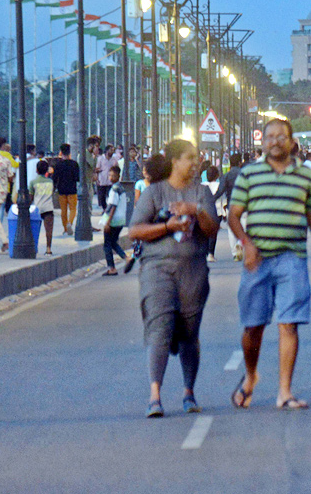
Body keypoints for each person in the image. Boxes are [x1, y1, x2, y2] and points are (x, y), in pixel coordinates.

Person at [228, 119, 311, 411]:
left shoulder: (306, 176)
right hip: (257, 259)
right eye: (270, 137)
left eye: (280, 137)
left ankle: (284, 391)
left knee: (289, 324)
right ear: (263, 142)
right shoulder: (249, 174)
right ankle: (251, 376)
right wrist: (247, 244)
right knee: (253, 328)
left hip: (292, 258)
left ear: (291, 141)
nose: (275, 142)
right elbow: (234, 215)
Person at [128, 139, 219, 418]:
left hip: (193, 268)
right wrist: (166, 225)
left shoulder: (201, 192)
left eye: (197, 158)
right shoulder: (154, 192)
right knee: (160, 326)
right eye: (190, 158)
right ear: (174, 161)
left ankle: (188, 392)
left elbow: (212, 228)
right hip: (157, 268)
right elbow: (135, 230)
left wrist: (195, 211)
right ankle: (155, 395)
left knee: (189, 333)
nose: (195, 163)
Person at [29, 160, 56, 256]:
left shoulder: (33, 182)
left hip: (37, 208)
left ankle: (34, 247)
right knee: (49, 230)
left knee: (35, 230)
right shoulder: (50, 182)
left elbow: (31, 197)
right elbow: (52, 193)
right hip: (48, 208)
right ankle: (48, 249)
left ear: (36, 170)